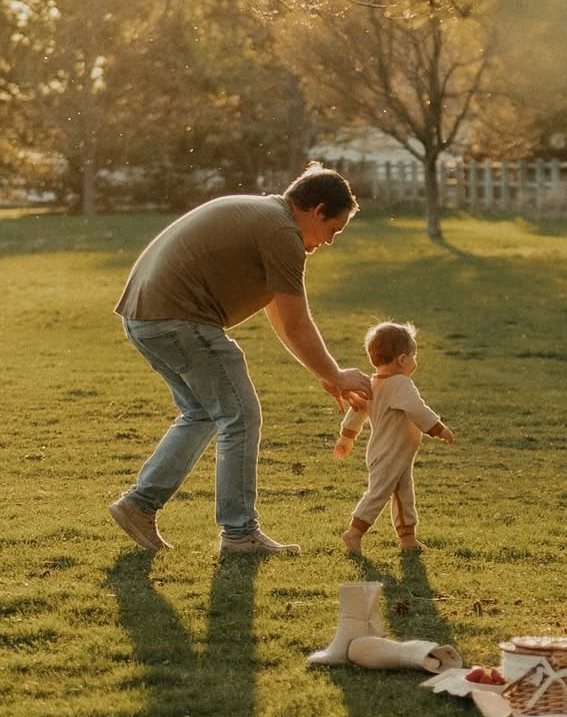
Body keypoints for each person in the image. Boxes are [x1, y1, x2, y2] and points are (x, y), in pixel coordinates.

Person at [109, 163, 372, 557]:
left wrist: (325, 374)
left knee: (202, 413)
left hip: (144, 319)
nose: (329, 241)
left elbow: (280, 316)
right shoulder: (282, 233)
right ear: (318, 210)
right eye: (333, 229)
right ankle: (240, 534)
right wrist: (335, 372)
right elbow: (298, 325)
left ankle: (139, 505)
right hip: (178, 318)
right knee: (240, 416)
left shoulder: (265, 216)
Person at [335, 321, 454, 555]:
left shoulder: (371, 384)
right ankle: (354, 533)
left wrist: (346, 437)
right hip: (390, 453)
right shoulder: (402, 384)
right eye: (414, 355)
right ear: (402, 359)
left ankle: (407, 538)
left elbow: (356, 410)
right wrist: (438, 428)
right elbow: (416, 409)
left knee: (403, 494)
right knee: (379, 493)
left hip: (390, 452)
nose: (414, 360)